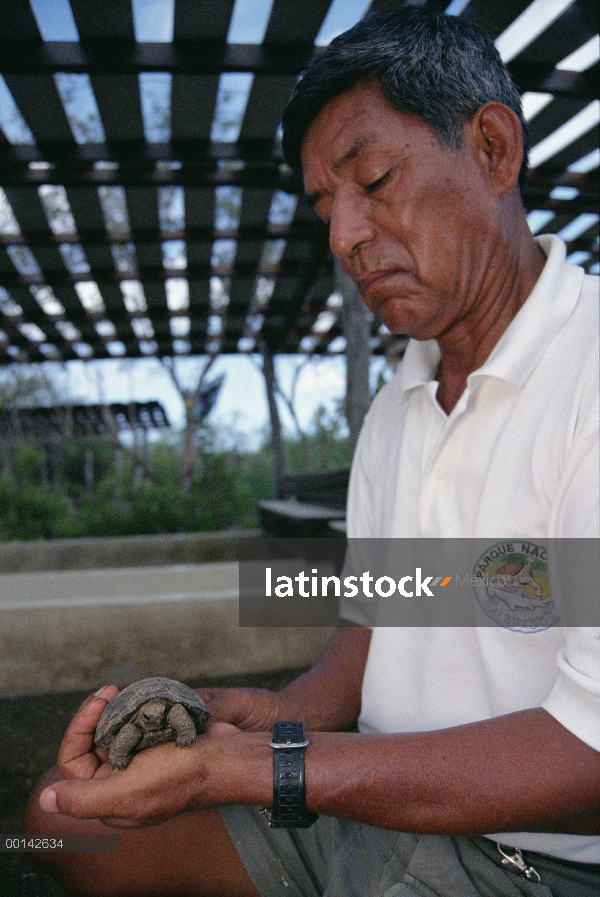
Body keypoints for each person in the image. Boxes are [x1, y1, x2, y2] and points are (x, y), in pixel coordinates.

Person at [24, 8, 599, 896]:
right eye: (329, 205)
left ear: (492, 149)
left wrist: (272, 768)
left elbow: (589, 756)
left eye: (373, 179)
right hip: (368, 803)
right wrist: (275, 715)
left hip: (539, 863)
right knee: (65, 819)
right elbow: (372, 629)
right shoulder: (397, 408)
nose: (344, 238)